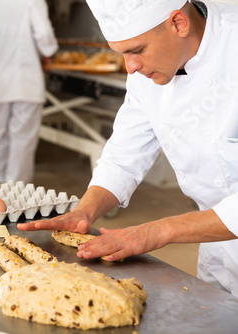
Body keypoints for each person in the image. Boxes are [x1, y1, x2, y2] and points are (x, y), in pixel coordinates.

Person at [18, 0, 238, 296]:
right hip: (217, 249)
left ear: (178, 23)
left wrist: (158, 231)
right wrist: (84, 211)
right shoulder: (146, 71)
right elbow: (125, 153)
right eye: (122, 53)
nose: (130, 67)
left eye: (136, 50)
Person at [0, 0, 58, 183]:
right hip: (25, 80)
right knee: (22, 137)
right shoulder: (32, 2)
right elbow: (45, 35)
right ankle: (16, 193)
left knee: (1, 133)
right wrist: (48, 52)